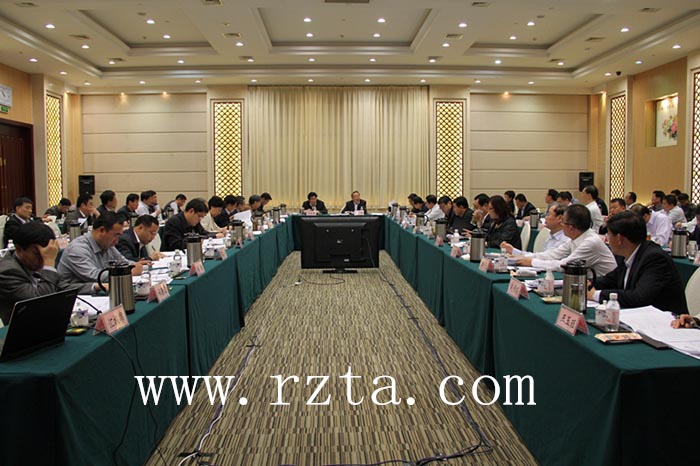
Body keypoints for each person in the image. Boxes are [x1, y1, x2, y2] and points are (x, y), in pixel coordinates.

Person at [588, 211, 688, 314]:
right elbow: (611, 280)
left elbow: (639, 297)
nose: (607, 239)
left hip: (666, 320)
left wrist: (595, 295)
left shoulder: (655, 258)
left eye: (609, 234)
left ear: (619, 238)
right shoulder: (628, 253)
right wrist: (587, 283)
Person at [0, 222, 93, 324]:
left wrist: (95, 286)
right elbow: (40, 301)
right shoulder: (7, 271)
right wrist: (48, 263)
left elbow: (64, 288)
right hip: (23, 326)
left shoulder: (33, 262)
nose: (42, 260)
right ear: (19, 249)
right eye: (37, 254)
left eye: (46, 254)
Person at [516, 204, 617, 275]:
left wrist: (532, 262)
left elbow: (564, 265)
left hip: (604, 288)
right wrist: (522, 257)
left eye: (563, 223)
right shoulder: (576, 238)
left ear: (571, 228)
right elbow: (553, 254)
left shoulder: (590, 242)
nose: (561, 225)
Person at [58, 213, 146, 286]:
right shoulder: (77, 249)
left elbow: (123, 261)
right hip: (78, 297)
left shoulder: (107, 245)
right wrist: (127, 272)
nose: (117, 241)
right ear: (102, 231)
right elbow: (93, 276)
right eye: (116, 235)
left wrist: (135, 265)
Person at [501, 204, 569, 254]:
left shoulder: (566, 240)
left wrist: (515, 252)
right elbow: (540, 256)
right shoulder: (551, 235)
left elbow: (547, 258)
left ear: (559, 218)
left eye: (548, 214)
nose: (545, 217)